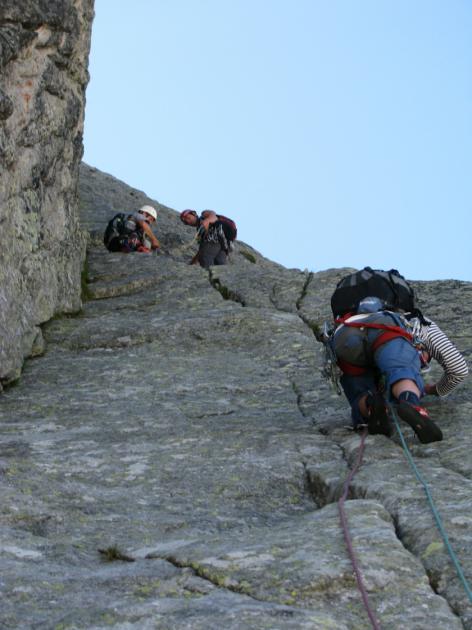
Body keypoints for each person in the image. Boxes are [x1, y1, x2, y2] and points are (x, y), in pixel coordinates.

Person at [331, 296, 468, 443]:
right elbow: (459, 369)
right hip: (386, 330)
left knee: (360, 393)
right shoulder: (422, 324)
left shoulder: (352, 315)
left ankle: (371, 405)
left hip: (344, 334)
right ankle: (411, 404)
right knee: (402, 372)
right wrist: (433, 390)